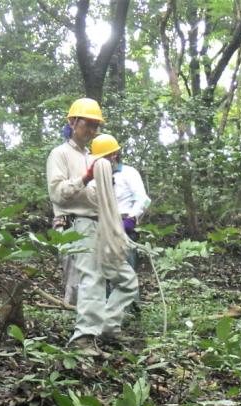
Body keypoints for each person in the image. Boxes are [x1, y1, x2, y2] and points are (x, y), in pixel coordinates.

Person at [46, 98, 138, 354]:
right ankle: (84, 339)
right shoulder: (60, 154)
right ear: (73, 122)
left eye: (96, 126)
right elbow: (58, 193)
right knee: (93, 278)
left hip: (102, 227)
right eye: (89, 124)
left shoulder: (94, 156)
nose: (93, 131)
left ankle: (108, 328)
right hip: (77, 224)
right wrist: (86, 177)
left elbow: (102, 197)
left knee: (127, 279)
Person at [90, 134, 151, 272]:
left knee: (126, 274)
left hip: (125, 229)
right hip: (101, 230)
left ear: (114, 155)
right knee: (103, 275)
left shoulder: (129, 173)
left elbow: (144, 200)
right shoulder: (94, 179)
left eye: (105, 157)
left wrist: (132, 219)